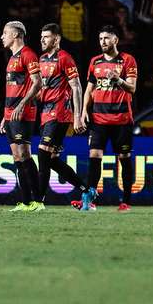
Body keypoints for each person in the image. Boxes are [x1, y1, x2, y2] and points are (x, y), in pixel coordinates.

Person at [35, 24, 95, 209]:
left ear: (57, 39)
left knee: (43, 153)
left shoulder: (65, 58)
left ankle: (38, 201)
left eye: (46, 36)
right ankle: (86, 190)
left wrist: (77, 117)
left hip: (60, 113)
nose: (42, 40)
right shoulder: (42, 59)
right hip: (45, 113)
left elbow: (76, 87)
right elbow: (42, 88)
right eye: (41, 36)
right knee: (51, 159)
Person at [80, 25, 139, 211]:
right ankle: (90, 200)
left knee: (124, 158)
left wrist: (118, 80)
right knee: (94, 155)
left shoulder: (127, 60)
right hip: (98, 119)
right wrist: (83, 111)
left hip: (122, 119)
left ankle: (126, 201)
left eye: (106, 38)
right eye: (100, 38)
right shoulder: (95, 62)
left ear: (115, 40)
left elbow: (132, 88)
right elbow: (89, 89)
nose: (103, 42)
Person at [0, 20, 42, 212]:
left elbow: (37, 83)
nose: (2, 36)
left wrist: (22, 104)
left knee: (25, 154)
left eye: (5, 33)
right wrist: (5, 115)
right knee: (17, 157)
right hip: (10, 114)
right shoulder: (11, 58)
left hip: (23, 113)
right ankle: (25, 202)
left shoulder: (28, 54)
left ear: (16, 35)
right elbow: (11, 89)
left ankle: (38, 201)